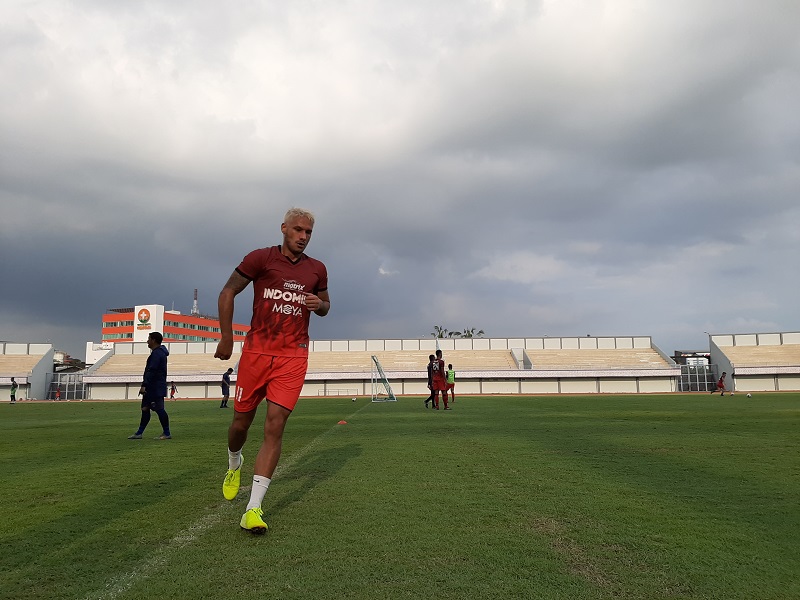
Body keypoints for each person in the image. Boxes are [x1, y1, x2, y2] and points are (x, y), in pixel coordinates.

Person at [215, 207, 330, 534]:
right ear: (283, 228)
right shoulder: (260, 258)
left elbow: (325, 305)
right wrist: (227, 337)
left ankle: (253, 509)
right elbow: (227, 291)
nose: (303, 237)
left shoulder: (317, 269)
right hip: (256, 353)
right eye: (298, 230)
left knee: (275, 425)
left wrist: (319, 305)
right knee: (240, 423)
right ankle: (234, 461)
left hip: (293, 356)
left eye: (308, 232)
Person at [128, 331, 172, 440]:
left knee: (159, 409)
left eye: (149, 339)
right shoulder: (158, 353)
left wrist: (144, 385)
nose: (147, 341)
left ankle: (167, 433)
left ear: (153, 340)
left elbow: (151, 370)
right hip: (154, 385)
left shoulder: (157, 354)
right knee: (145, 408)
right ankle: (139, 433)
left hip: (155, 387)